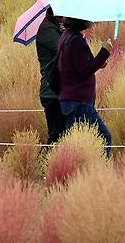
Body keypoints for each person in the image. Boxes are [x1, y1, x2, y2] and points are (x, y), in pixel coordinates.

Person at [56, 17, 113, 155]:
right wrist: (104, 51)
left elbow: (77, 66)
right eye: (89, 18)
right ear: (80, 19)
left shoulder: (67, 36)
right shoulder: (76, 40)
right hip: (79, 103)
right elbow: (84, 70)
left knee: (75, 145)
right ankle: (98, 172)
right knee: (104, 137)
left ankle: (72, 171)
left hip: (71, 100)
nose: (92, 20)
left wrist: (99, 62)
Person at [36, 8, 65, 145]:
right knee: (56, 137)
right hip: (52, 92)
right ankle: (46, 165)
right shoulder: (47, 29)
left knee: (62, 136)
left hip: (60, 91)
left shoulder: (55, 27)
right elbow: (64, 51)